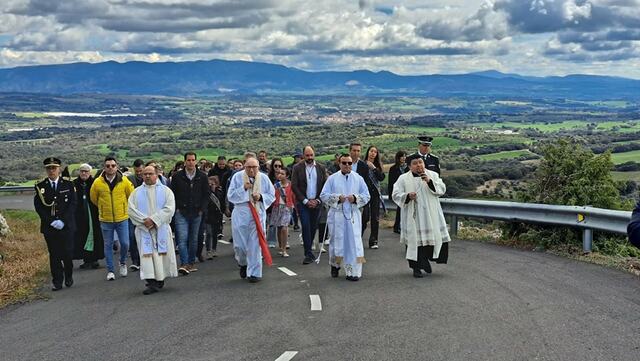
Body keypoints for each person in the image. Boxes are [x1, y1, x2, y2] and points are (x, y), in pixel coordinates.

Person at [392, 157, 450, 278]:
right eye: (415, 163)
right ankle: (417, 267)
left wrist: (429, 182)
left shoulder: (432, 175)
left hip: (431, 214)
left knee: (431, 239)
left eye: (420, 162)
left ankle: (427, 261)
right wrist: (407, 196)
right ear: (409, 166)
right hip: (414, 216)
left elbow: (442, 189)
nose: (419, 165)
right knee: (415, 241)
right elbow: (395, 194)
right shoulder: (403, 179)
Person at [128, 165, 178, 295]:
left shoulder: (166, 191)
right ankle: (151, 282)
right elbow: (131, 210)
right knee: (147, 257)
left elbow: (169, 208)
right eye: (145, 174)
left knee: (160, 255)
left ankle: (160, 279)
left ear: (157, 175)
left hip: (160, 228)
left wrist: (154, 220)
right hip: (144, 230)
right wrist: (145, 221)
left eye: (150, 174)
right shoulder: (136, 192)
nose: (147, 176)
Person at [320, 154, 370, 281]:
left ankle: (353, 271)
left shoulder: (358, 178)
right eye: (344, 163)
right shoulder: (332, 179)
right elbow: (324, 195)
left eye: (349, 163)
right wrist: (337, 198)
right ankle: (335, 265)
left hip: (353, 216)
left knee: (354, 243)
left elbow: (366, 195)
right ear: (339, 163)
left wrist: (356, 198)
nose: (347, 165)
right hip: (337, 216)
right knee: (337, 243)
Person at [227, 157, 275, 283]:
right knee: (240, 245)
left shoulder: (263, 178)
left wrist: (260, 197)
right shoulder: (237, 177)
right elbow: (230, 196)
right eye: (249, 167)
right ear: (245, 167)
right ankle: (243, 263)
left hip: (257, 212)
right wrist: (243, 188)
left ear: (258, 167)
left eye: (254, 167)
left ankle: (254, 273)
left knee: (255, 244)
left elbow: (272, 195)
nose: (252, 170)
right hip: (241, 212)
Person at [34, 157, 77, 291]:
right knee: (54, 254)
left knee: (68, 254)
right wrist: (51, 221)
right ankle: (57, 281)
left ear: (59, 169)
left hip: (66, 226)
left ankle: (68, 275)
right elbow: (39, 207)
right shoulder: (41, 187)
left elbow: (73, 204)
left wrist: (63, 220)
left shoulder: (68, 185)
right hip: (50, 227)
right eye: (49, 168)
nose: (51, 171)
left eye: (54, 168)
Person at [90, 156, 135, 281]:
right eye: (108, 166)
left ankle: (122, 262)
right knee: (108, 245)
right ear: (104, 167)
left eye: (113, 166)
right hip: (106, 219)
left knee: (125, 243)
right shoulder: (97, 183)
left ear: (117, 167)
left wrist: (123, 207)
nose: (110, 168)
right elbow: (94, 198)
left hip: (122, 217)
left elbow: (131, 195)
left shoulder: (124, 181)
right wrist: (103, 208)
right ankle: (110, 270)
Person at [170, 152, 210, 275]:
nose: (191, 162)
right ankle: (184, 263)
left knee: (193, 239)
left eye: (193, 160)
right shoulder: (177, 176)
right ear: (185, 161)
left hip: (197, 212)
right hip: (181, 211)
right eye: (188, 160)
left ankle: (191, 262)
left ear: (196, 161)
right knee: (182, 239)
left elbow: (206, 194)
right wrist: (176, 208)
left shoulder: (202, 176)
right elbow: (172, 194)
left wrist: (202, 209)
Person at [291, 145, 328, 264]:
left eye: (311, 155)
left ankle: (309, 251)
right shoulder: (297, 168)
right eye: (307, 155)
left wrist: (317, 200)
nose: (309, 157)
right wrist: (305, 201)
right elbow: (294, 186)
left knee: (313, 227)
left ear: (314, 154)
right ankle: (308, 253)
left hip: (317, 202)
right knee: (306, 226)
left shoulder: (321, 168)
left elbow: (324, 185)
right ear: (303, 156)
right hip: (303, 203)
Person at [73, 163, 104, 269]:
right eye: (82, 171)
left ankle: (94, 260)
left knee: (94, 235)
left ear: (90, 172)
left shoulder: (95, 183)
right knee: (82, 236)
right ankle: (86, 260)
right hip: (80, 215)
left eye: (86, 171)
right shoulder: (74, 184)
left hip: (93, 214)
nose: (84, 173)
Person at [361, 145, 385, 249]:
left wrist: (374, 168)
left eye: (375, 152)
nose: (373, 153)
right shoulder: (362, 164)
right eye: (371, 151)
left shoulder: (378, 165)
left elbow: (381, 178)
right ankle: (358, 238)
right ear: (368, 152)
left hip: (375, 194)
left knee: (375, 218)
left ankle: (373, 240)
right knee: (364, 217)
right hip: (364, 194)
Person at [126, 159, 145, 271]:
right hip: (132, 213)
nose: (139, 173)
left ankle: (144, 259)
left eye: (140, 171)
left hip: (145, 212)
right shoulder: (129, 180)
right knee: (132, 237)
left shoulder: (148, 179)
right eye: (137, 171)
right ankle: (135, 261)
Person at [271, 167, 295, 257]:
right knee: (279, 227)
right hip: (277, 207)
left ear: (287, 175)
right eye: (279, 173)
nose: (280, 175)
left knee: (284, 227)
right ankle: (281, 247)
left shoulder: (291, 186)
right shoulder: (276, 186)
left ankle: (284, 249)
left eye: (282, 174)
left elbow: (294, 197)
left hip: (287, 207)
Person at [205, 175, 225, 259]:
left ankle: (214, 249)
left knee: (214, 233)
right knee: (209, 233)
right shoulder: (206, 193)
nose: (210, 186)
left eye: (212, 184)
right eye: (209, 184)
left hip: (217, 216)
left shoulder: (220, 192)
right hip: (208, 215)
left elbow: (222, 203)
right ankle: (208, 250)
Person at [388, 151, 408, 234]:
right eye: (402, 156)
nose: (403, 158)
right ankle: (397, 227)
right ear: (398, 158)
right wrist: (391, 194)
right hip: (398, 191)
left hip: (406, 190)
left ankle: (400, 227)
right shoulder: (393, 168)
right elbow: (391, 182)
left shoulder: (408, 168)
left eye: (405, 156)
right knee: (400, 209)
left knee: (403, 209)